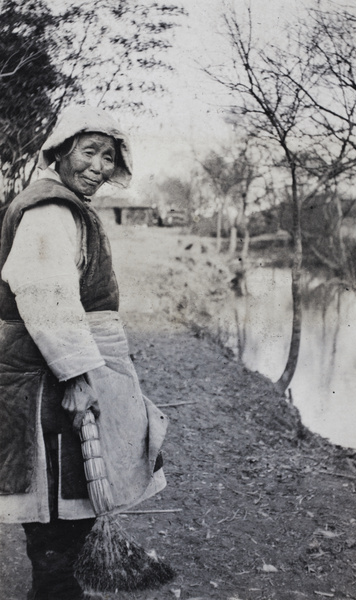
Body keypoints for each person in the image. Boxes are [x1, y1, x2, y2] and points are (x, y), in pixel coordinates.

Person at [0, 106, 168, 600]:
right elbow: (45, 297)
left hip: (63, 370)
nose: (99, 166)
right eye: (89, 152)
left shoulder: (66, 205)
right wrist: (75, 378)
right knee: (54, 517)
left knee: (67, 511)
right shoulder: (50, 208)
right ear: (61, 152)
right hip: (48, 380)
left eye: (108, 156)